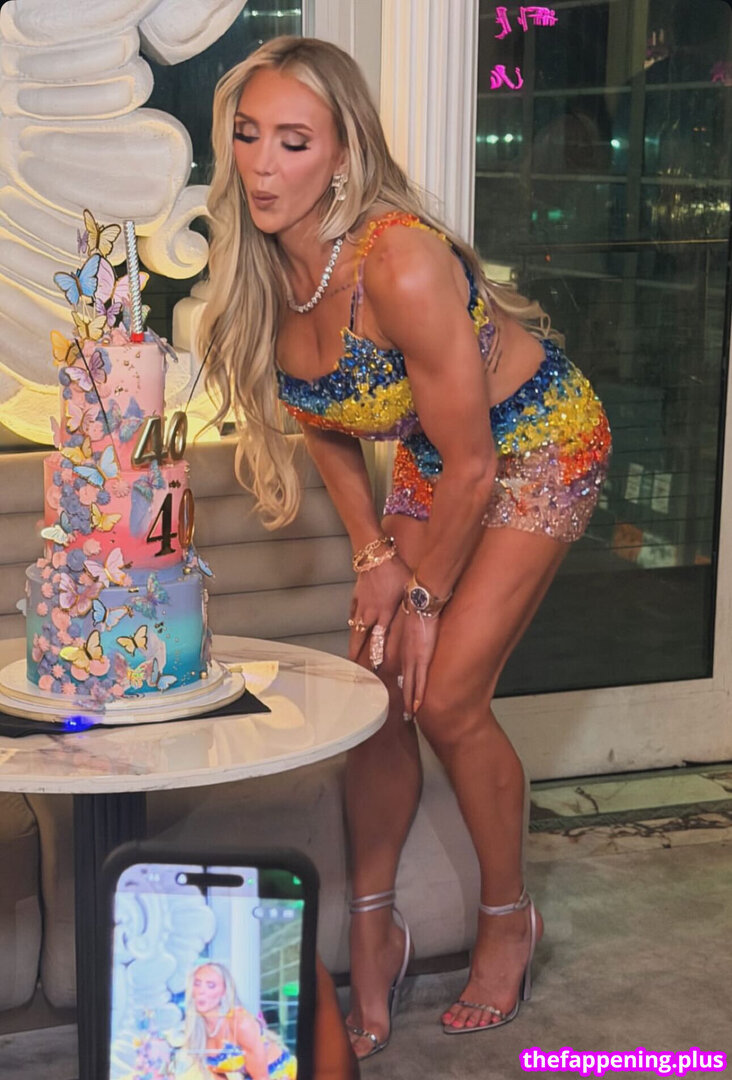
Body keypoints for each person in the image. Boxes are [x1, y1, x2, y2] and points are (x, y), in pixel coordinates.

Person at [199, 36, 611, 1061]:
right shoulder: (264, 265)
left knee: (448, 694)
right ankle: (374, 925)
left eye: (293, 142)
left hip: (537, 442)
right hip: (445, 450)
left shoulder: (401, 261)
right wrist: (375, 556)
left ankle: (508, 920)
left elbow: (477, 465)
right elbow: (322, 419)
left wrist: (424, 600)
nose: (262, 165)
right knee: (376, 686)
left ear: (342, 154)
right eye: (248, 135)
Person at [183, 962, 296, 1079]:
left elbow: (261, 1077)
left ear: (224, 992)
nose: (201, 991)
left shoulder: (240, 1023)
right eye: (197, 984)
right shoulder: (198, 1031)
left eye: (211, 985)